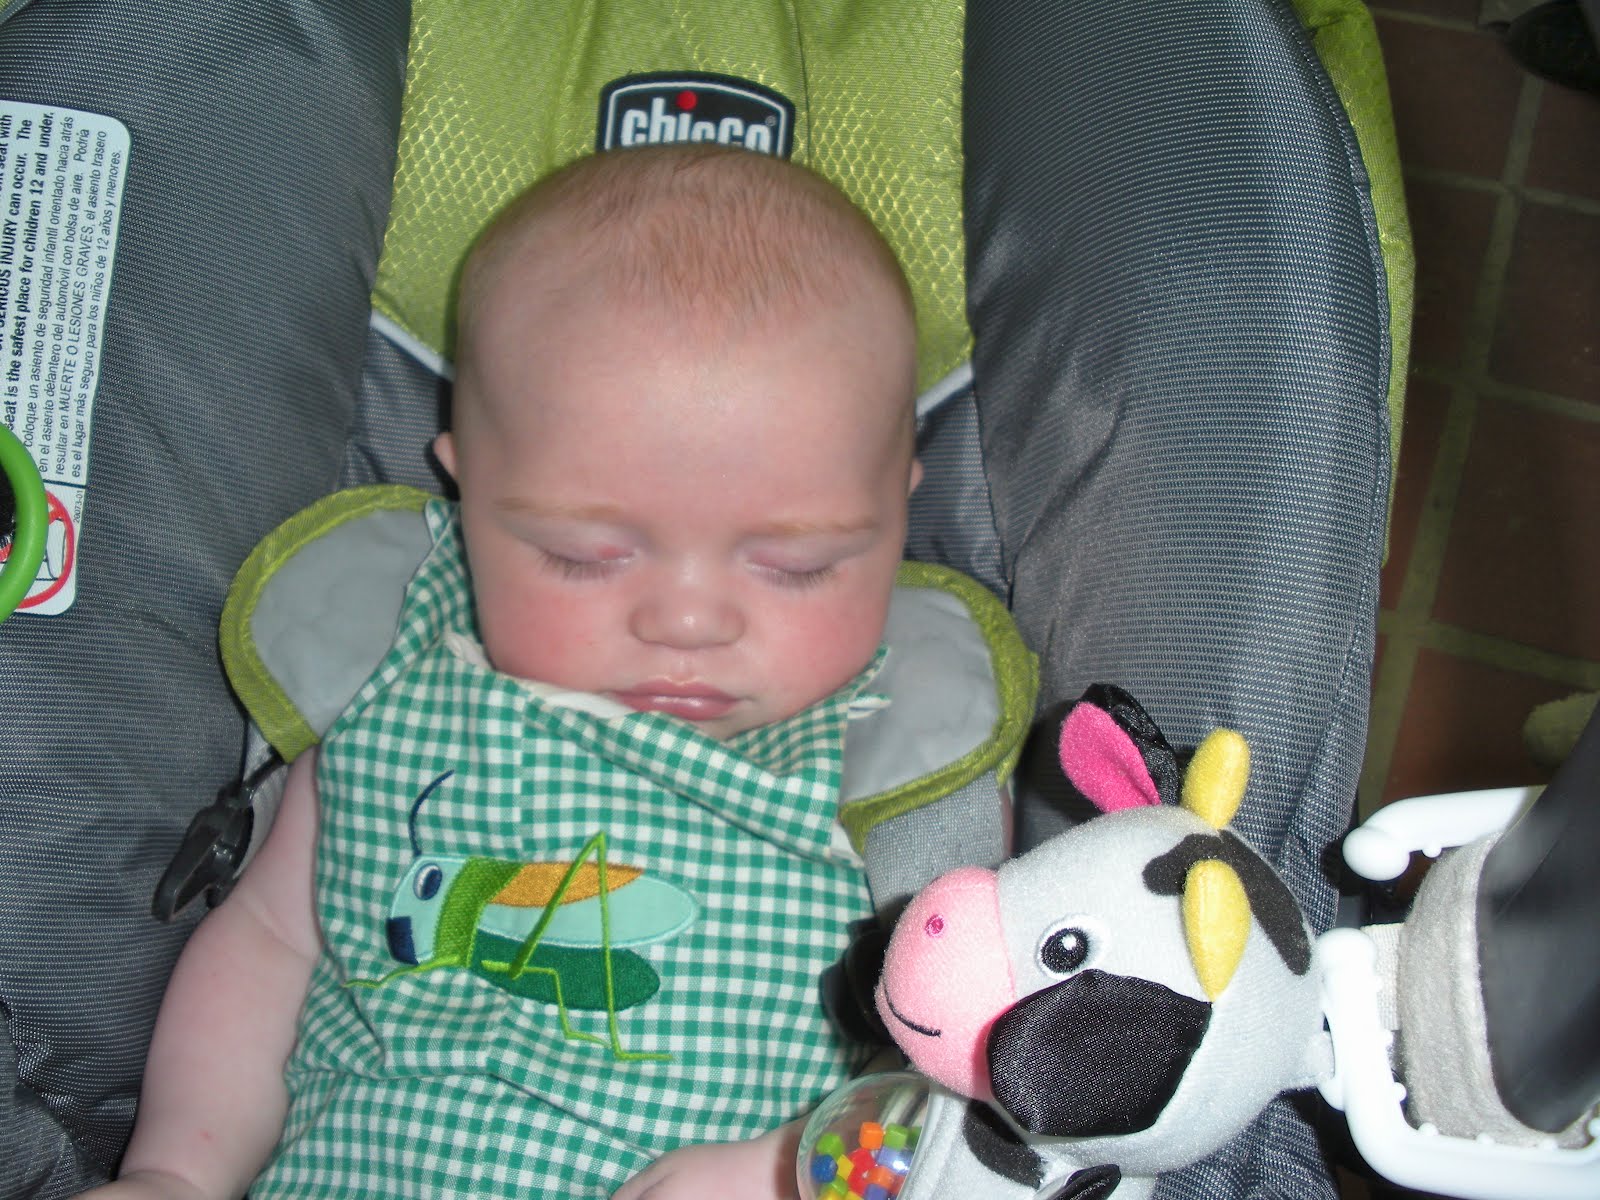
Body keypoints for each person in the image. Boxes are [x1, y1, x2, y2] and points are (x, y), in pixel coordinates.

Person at [81, 143, 927, 1200]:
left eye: (796, 565)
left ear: (896, 511)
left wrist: (786, 1168)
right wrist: (177, 1169)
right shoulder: (392, 700)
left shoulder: (910, 777)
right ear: (467, 491)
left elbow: (971, 1076)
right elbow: (265, 947)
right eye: (583, 555)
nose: (687, 620)